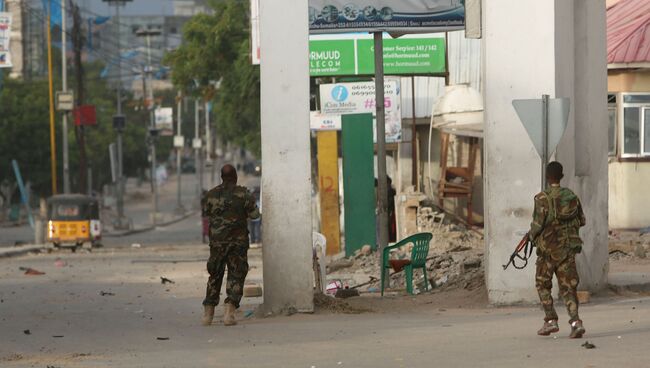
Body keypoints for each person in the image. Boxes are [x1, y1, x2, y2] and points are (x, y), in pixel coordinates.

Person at [528, 161, 586, 338]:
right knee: (569, 287)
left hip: (548, 251)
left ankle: (551, 320)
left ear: (547, 177)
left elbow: (537, 226)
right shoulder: (572, 197)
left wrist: (531, 236)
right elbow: (582, 220)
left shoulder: (541, 198)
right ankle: (576, 323)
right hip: (567, 250)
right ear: (561, 176)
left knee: (542, 283)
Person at [201, 164, 260, 326]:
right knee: (236, 274)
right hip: (237, 243)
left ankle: (208, 314)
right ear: (235, 177)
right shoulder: (244, 194)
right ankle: (229, 312)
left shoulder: (211, 195)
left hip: (217, 243)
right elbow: (255, 215)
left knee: (215, 274)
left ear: (221, 177)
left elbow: (206, 213)